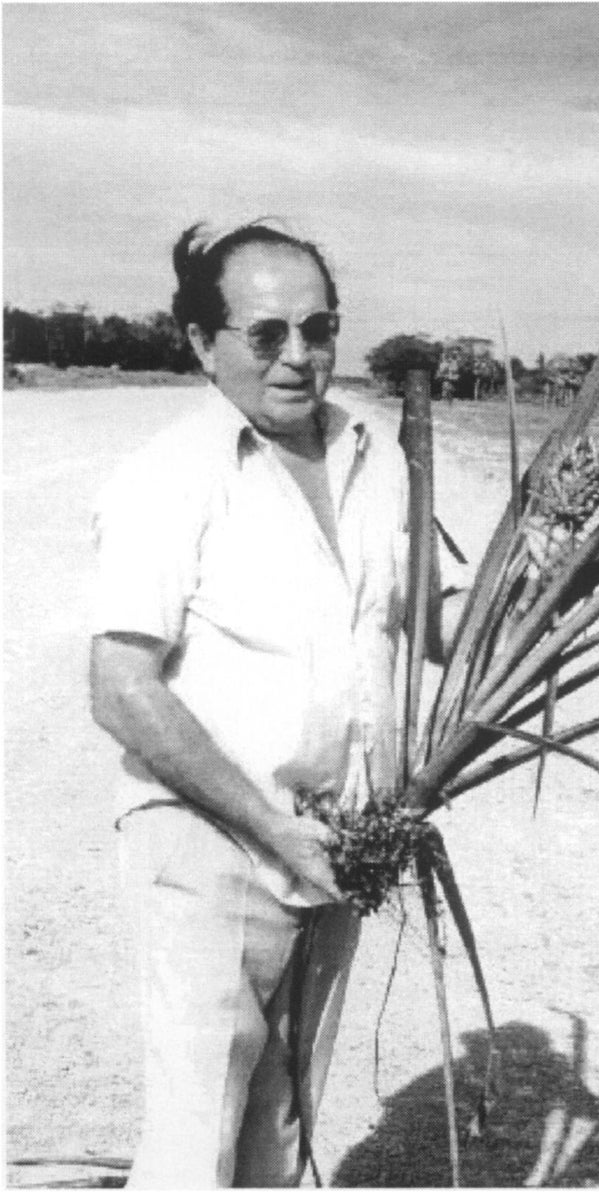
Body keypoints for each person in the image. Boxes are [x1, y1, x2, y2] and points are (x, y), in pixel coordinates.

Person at [89, 217, 452, 1188]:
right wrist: (268, 828)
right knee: (196, 1138)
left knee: (283, 1128)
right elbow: (120, 688)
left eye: (318, 328)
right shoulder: (171, 475)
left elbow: (432, 620)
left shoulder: (375, 456)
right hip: (211, 840)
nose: (298, 355)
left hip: (337, 842)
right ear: (202, 343)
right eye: (266, 333)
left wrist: (557, 566)